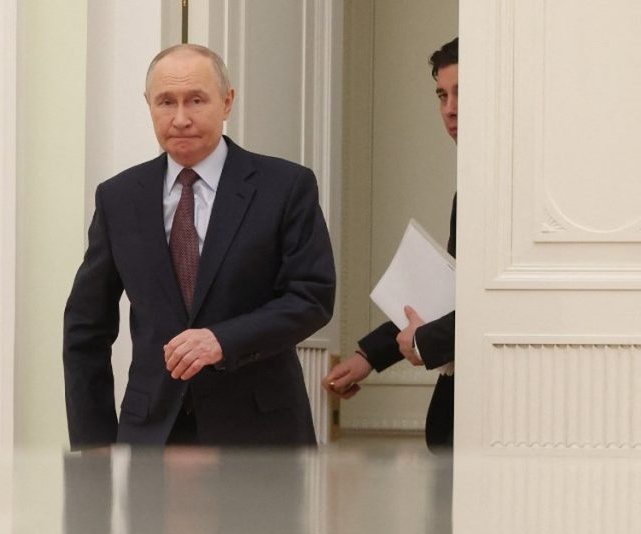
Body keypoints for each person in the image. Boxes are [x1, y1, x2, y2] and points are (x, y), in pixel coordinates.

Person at [63, 44, 335, 449]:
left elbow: (311, 297)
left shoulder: (285, 186)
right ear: (149, 105)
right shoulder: (118, 197)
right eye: (165, 102)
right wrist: (94, 448)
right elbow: (86, 328)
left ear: (227, 102)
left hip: (260, 435)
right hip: (153, 434)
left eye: (196, 100)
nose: (180, 118)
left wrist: (222, 340)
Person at [322, 37, 459, 451]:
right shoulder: (471, 187)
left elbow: (499, 304)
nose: (450, 109)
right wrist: (370, 356)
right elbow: (449, 294)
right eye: (442, 95)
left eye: (462, 94)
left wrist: (424, 341)